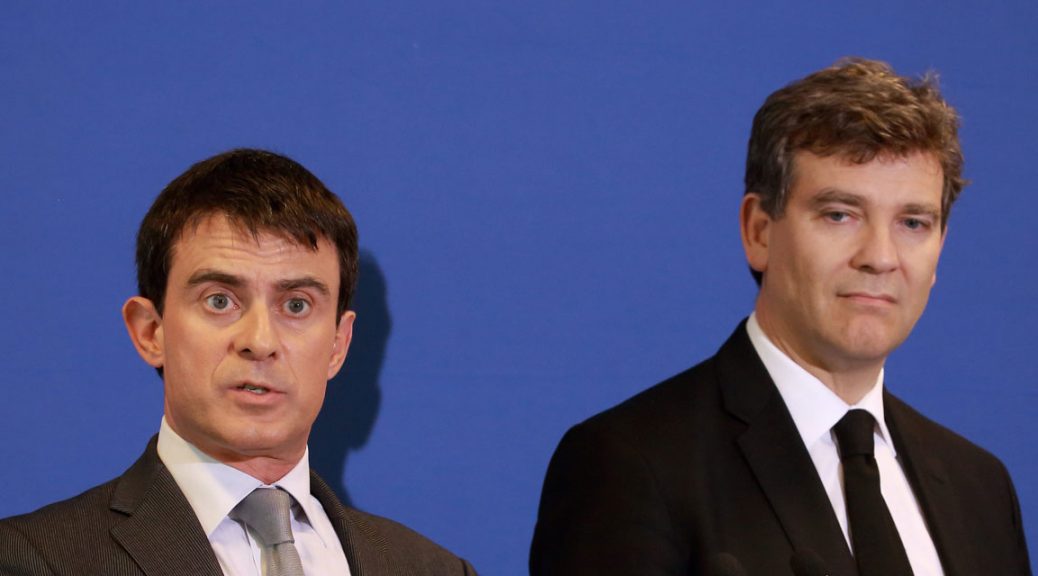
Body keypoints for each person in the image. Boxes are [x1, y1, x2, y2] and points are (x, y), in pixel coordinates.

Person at [530, 58, 1031, 575]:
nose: (880, 257)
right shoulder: (630, 463)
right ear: (759, 231)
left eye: (913, 223)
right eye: (840, 214)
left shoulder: (981, 488)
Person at [0, 149, 477, 576]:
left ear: (338, 344)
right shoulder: (32, 560)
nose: (260, 341)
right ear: (150, 332)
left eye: (296, 305)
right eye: (220, 301)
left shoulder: (434, 569)